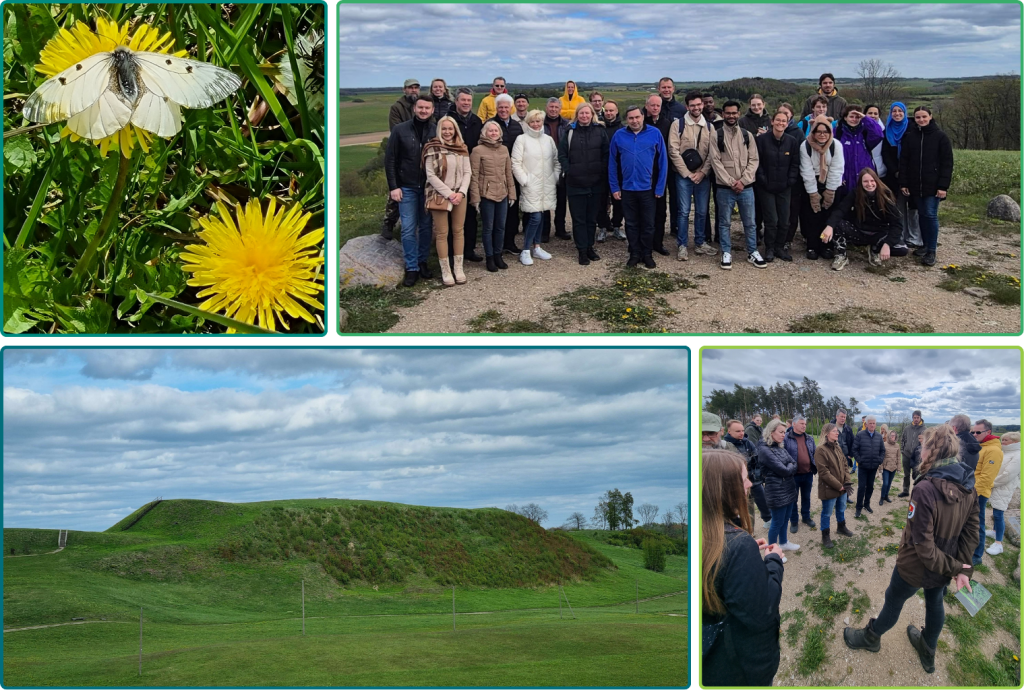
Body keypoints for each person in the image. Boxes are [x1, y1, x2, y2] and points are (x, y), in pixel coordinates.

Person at [843, 424, 978, 675]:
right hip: (946, 561)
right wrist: (961, 568)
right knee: (935, 601)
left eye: (923, 445)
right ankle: (928, 650)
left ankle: (872, 638)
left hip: (915, 564)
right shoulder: (969, 483)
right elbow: (971, 534)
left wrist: (960, 568)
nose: (919, 450)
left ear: (931, 450)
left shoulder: (926, 488)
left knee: (894, 601)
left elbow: (925, 548)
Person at [701, 449, 784, 687]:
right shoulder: (737, 545)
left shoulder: (709, 537)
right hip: (743, 667)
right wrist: (774, 561)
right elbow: (764, 610)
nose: (750, 483)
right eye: (744, 478)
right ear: (724, 489)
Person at [385, 94, 437, 287]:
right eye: (421, 107)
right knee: (407, 228)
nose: (424, 111)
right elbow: (390, 160)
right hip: (406, 187)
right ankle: (411, 267)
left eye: (427, 108)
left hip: (428, 188)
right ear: (415, 108)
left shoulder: (435, 130)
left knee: (425, 227)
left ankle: (422, 261)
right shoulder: (400, 130)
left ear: (432, 110)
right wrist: (394, 186)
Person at [609, 105, 668, 269]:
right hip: (627, 189)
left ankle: (647, 254)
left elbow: (663, 162)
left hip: (648, 189)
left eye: (637, 117)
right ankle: (634, 253)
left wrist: (660, 187)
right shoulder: (619, 135)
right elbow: (612, 163)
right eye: (631, 118)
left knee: (648, 224)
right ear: (626, 120)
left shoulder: (654, 134)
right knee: (631, 224)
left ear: (643, 117)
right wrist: (614, 187)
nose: (634, 121)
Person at [709, 100, 763, 270]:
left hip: (746, 188)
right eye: (728, 113)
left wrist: (743, 181)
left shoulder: (748, 135)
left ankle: (752, 251)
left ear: (738, 114)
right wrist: (732, 182)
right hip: (725, 188)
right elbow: (715, 162)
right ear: (723, 114)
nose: (731, 116)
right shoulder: (716, 135)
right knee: (724, 222)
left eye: (734, 113)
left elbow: (754, 160)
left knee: (750, 222)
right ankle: (726, 252)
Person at [898, 106, 954, 266]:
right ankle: (924, 245)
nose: (921, 120)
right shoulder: (910, 137)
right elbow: (904, 161)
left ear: (930, 116)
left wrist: (943, 186)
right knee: (921, 215)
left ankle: (932, 250)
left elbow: (947, 164)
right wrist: (904, 182)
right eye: (917, 117)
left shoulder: (940, 137)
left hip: (933, 185)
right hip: (915, 185)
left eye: (924, 116)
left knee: (930, 215)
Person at [820, 168, 902, 272]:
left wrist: (887, 244)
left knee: (900, 246)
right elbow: (840, 210)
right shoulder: (855, 193)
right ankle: (841, 255)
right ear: (860, 183)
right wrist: (829, 226)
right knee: (835, 224)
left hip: (879, 233)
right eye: (865, 181)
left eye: (872, 181)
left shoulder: (886, 196)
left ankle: (875, 250)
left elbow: (897, 224)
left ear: (877, 181)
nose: (869, 184)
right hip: (858, 231)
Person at [423, 115, 471, 286]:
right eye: (444, 128)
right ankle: (446, 270)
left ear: (455, 130)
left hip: (460, 195)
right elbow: (430, 175)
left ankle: (458, 268)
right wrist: (449, 194)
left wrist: (461, 193)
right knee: (442, 233)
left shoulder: (461, 147)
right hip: (440, 195)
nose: (448, 132)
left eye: (450, 128)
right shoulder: (432, 148)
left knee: (458, 231)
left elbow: (467, 172)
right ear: (439, 130)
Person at [558, 103, 609, 266]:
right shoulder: (569, 132)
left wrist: (601, 170)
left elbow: (606, 153)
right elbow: (562, 154)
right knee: (579, 219)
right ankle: (581, 250)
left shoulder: (600, 131)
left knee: (591, 218)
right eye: (581, 113)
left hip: (596, 183)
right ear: (577, 115)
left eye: (587, 113)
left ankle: (590, 247)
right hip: (575, 183)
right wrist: (569, 170)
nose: (584, 116)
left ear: (592, 114)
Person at [668, 91, 713, 261]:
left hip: (703, 176)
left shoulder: (709, 127)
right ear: (687, 107)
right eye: (692, 105)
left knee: (702, 211)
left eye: (698, 104)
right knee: (684, 211)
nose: (696, 107)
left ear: (703, 105)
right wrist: (687, 173)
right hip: (683, 176)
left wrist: (702, 172)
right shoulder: (677, 125)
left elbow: (712, 154)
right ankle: (682, 245)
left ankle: (700, 243)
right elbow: (673, 151)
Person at [511, 110, 560, 267]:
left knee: (542, 215)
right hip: (531, 184)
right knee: (535, 217)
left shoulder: (548, 140)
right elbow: (515, 163)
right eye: (533, 121)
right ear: (528, 123)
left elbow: (556, 160)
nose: (536, 124)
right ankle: (525, 250)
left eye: (538, 121)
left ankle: (537, 247)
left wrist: (555, 176)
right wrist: (524, 180)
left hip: (546, 184)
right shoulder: (521, 139)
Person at [469, 121, 516, 272]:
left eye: (496, 130)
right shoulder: (477, 151)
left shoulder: (504, 149)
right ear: (485, 133)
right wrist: (475, 198)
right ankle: (489, 257)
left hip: (502, 193)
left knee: (500, 227)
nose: (494, 133)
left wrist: (512, 193)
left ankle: (498, 255)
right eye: (491, 131)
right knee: (488, 227)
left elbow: (508, 173)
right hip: (486, 194)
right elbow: (474, 175)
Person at [755, 110, 801, 262]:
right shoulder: (761, 140)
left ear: (787, 124)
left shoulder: (792, 141)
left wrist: (790, 181)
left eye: (784, 121)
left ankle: (780, 247)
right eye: (778, 120)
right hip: (766, 186)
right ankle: (769, 248)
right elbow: (758, 162)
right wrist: (762, 180)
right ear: (772, 122)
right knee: (771, 220)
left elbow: (795, 164)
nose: (781, 123)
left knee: (784, 220)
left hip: (784, 186)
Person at [381, 78, 421, 241]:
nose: (413, 90)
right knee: (397, 190)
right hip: (402, 153)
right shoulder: (397, 108)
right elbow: (396, 130)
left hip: (420, 154)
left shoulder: (423, 104)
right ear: (404, 90)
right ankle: (389, 223)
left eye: (416, 88)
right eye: (410, 88)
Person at [488, 94, 525, 255]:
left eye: (506, 107)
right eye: (500, 107)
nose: (503, 110)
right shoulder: (490, 125)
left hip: (513, 175)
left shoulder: (517, 126)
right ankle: (496, 245)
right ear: (496, 108)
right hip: (495, 175)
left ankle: (509, 242)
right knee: (496, 213)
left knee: (512, 210)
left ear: (511, 108)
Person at [881, 102, 920, 253]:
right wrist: (896, 171)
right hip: (894, 175)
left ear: (904, 113)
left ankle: (915, 237)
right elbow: (885, 153)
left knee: (914, 207)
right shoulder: (887, 131)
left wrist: (906, 172)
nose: (897, 114)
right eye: (894, 111)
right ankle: (900, 236)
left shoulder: (912, 129)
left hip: (912, 174)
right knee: (898, 207)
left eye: (900, 111)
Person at [451, 88, 485, 263]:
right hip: (452, 172)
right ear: (456, 101)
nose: (466, 103)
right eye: (463, 100)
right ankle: (452, 252)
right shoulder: (449, 120)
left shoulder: (477, 121)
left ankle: (469, 249)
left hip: (472, 172)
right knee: (452, 213)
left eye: (469, 101)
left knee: (471, 213)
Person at [759, 418, 799, 553]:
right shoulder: (765, 450)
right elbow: (784, 469)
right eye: (781, 432)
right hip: (776, 492)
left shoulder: (780, 447)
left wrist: (789, 467)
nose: (784, 435)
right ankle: (772, 551)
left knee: (786, 519)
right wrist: (789, 467)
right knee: (776, 522)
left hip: (788, 488)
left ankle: (783, 542)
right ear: (771, 432)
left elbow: (794, 463)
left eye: (784, 432)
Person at [642, 95, 675, 256]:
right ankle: (642, 242)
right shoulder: (640, 122)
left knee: (660, 210)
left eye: (658, 105)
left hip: (661, 172)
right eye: (652, 105)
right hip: (643, 173)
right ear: (646, 106)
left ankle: (658, 242)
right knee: (643, 211)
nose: (655, 108)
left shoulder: (667, 124)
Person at [724, 420, 770, 527]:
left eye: (742, 430)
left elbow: (756, 460)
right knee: (746, 508)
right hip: (739, 484)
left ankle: (768, 520)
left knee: (763, 502)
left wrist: (759, 477)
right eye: (738, 431)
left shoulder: (748, 443)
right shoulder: (727, 446)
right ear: (729, 431)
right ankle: (750, 529)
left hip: (755, 480)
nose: (741, 433)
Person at [817, 423, 855, 549]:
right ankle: (825, 535)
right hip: (830, 488)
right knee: (827, 513)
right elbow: (824, 473)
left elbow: (845, 465)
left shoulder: (837, 447)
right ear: (827, 434)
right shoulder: (820, 450)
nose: (837, 433)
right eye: (835, 431)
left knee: (841, 508)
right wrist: (839, 486)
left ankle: (841, 527)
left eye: (837, 431)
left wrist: (847, 482)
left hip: (842, 487)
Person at [971, 419, 1004, 566]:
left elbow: (986, 477)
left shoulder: (994, 450)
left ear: (988, 432)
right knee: (970, 523)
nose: (975, 434)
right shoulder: (981, 446)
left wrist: (973, 494)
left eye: (978, 432)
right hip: (971, 490)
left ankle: (977, 555)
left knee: (978, 524)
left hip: (979, 494)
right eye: (973, 432)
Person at [657, 78, 686, 239]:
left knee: (676, 195)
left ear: (673, 89)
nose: (666, 90)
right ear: (659, 89)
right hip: (656, 161)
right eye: (663, 87)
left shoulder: (681, 110)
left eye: (669, 87)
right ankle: (657, 225)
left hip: (675, 160)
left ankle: (675, 225)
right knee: (658, 194)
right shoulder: (652, 108)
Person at [540, 97, 571, 243]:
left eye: (556, 107)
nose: (553, 109)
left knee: (561, 199)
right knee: (545, 199)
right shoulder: (540, 123)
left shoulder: (566, 124)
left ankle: (560, 229)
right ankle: (545, 231)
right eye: (551, 107)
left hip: (561, 165)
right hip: (544, 165)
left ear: (560, 109)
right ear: (547, 108)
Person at [835, 104, 884, 195]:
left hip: (864, 176)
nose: (854, 119)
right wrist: (838, 177)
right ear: (845, 118)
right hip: (845, 176)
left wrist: (866, 118)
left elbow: (878, 134)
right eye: (851, 116)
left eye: (857, 117)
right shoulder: (837, 133)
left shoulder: (865, 133)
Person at [986, 432, 1020, 556]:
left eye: (1006, 440)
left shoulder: (1018, 455)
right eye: (1002, 439)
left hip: (1003, 487)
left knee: (999, 513)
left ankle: (998, 543)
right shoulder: (1006, 452)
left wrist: (991, 483)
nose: (1003, 442)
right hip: (997, 485)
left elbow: (1008, 474)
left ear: (1015, 442)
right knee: (996, 511)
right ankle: (995, 531)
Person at [597, 100, 626, 242]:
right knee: (601, 201)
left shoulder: (623, 129)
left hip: (619, 171)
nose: (608, 113)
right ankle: (602, 228)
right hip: (601, 171)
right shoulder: (598, 127)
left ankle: (616, 227)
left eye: (611, 111)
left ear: (616, 111)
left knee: (619, 201)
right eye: (606, 111)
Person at [784, 415, 817, 534]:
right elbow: (783, 456)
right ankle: (793, 521)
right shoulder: (786, 438)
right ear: (794, 424)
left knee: (806, 497)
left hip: (808, 473)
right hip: (793, 475)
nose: (804, 426)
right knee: (793, 499)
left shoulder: (809, 438)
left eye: (805, 424)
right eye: (801, 424)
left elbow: (814, 453)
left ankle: (806, 517)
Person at [701, 92, 724, 246]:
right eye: (705, 102)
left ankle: (720, 234)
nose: (708, 104)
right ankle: (705, 234)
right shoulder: (698, 121)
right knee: (703, 204)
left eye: (710, 101)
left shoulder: (722, 121)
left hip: (719, 168)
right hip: (702, 166)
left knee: (719, 202)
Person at [852, 415, 886, 517]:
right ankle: (858, 507)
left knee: (870, 487)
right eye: (870, 423)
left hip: (873, 467)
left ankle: (866, 504)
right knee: (862, 487)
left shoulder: (879, 436)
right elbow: (854, 449)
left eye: (874, 423)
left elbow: (883, 450)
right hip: (863, 467)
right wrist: (859, 460)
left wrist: (879, 460)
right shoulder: (860, 435)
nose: (872, 425)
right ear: (866, 424)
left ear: (876, 424)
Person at [898, 410, 926, 497]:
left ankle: (917, 493)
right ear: (912, 418)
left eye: (917, 417)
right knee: (906, 474)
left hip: (917, 456)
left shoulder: (924, 429)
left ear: (920, 418)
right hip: (906, 455)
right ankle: (905, 491)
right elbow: (902, 440)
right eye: (914, 417)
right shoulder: (907, 428)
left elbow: (926, 443)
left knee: (917, 475)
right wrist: (903, 451)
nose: (916, 419)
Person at [880, 430, 901, 505]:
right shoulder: (884, 444)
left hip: (893, 467)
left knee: (889, 483)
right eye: (891, 435)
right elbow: (881, 457)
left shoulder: (897, 446)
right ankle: (882, 497)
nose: (893, 437)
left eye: (894, 436)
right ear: (889, 436)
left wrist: (899, 468)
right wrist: (881, 467)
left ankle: (886, 496)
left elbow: (898, 457)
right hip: (886, 467)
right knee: (885, 483)